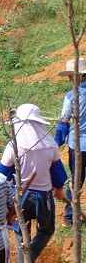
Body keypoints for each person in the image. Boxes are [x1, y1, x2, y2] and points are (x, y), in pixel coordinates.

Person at [0, 103, 67, 263]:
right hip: (43, 197)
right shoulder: (49, 145)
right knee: (45, 231)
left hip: (20, 197)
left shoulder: (13, 146)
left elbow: (1, 173)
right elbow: (58, 174)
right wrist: (59, 188)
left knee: (21, 235)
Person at [54, 58, 86, 227]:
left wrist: (55, 144)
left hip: (78, 146)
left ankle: (69, 218)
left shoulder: (71, 97)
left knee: (76, 181)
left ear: (76, 77)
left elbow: (64, 122)